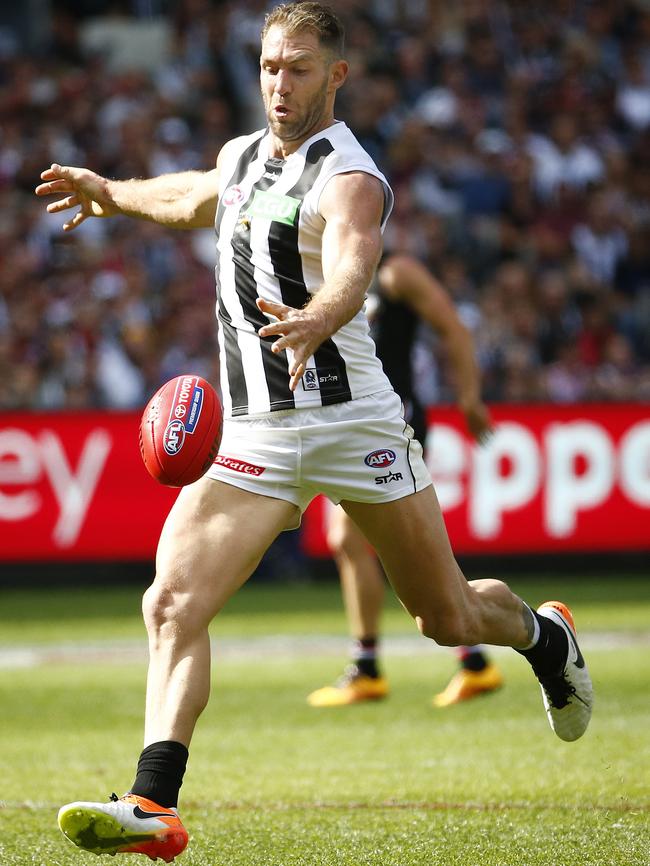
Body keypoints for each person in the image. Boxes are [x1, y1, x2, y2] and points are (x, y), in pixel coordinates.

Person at [36, 3, 593, 861]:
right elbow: (191, 195)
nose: (278, 83)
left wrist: (317, 318)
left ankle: (541, 635)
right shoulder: (245, 157)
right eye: (268, 66)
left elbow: (355, 264)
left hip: (352, 420)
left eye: (297, 68)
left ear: (335, 76)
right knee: (172, 600)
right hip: (257, 430)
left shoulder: (351, 176)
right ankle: (154, 804)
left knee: (443, 618)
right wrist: (111, 194)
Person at [307, 253, 503, 709]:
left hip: (393, 419)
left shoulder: (394, 272)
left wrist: (470, 397)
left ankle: (373, 667)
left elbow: (453, 326)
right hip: (350, 424)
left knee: (371, 542)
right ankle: (462, 661)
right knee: (361, 543)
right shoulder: (322, 268)